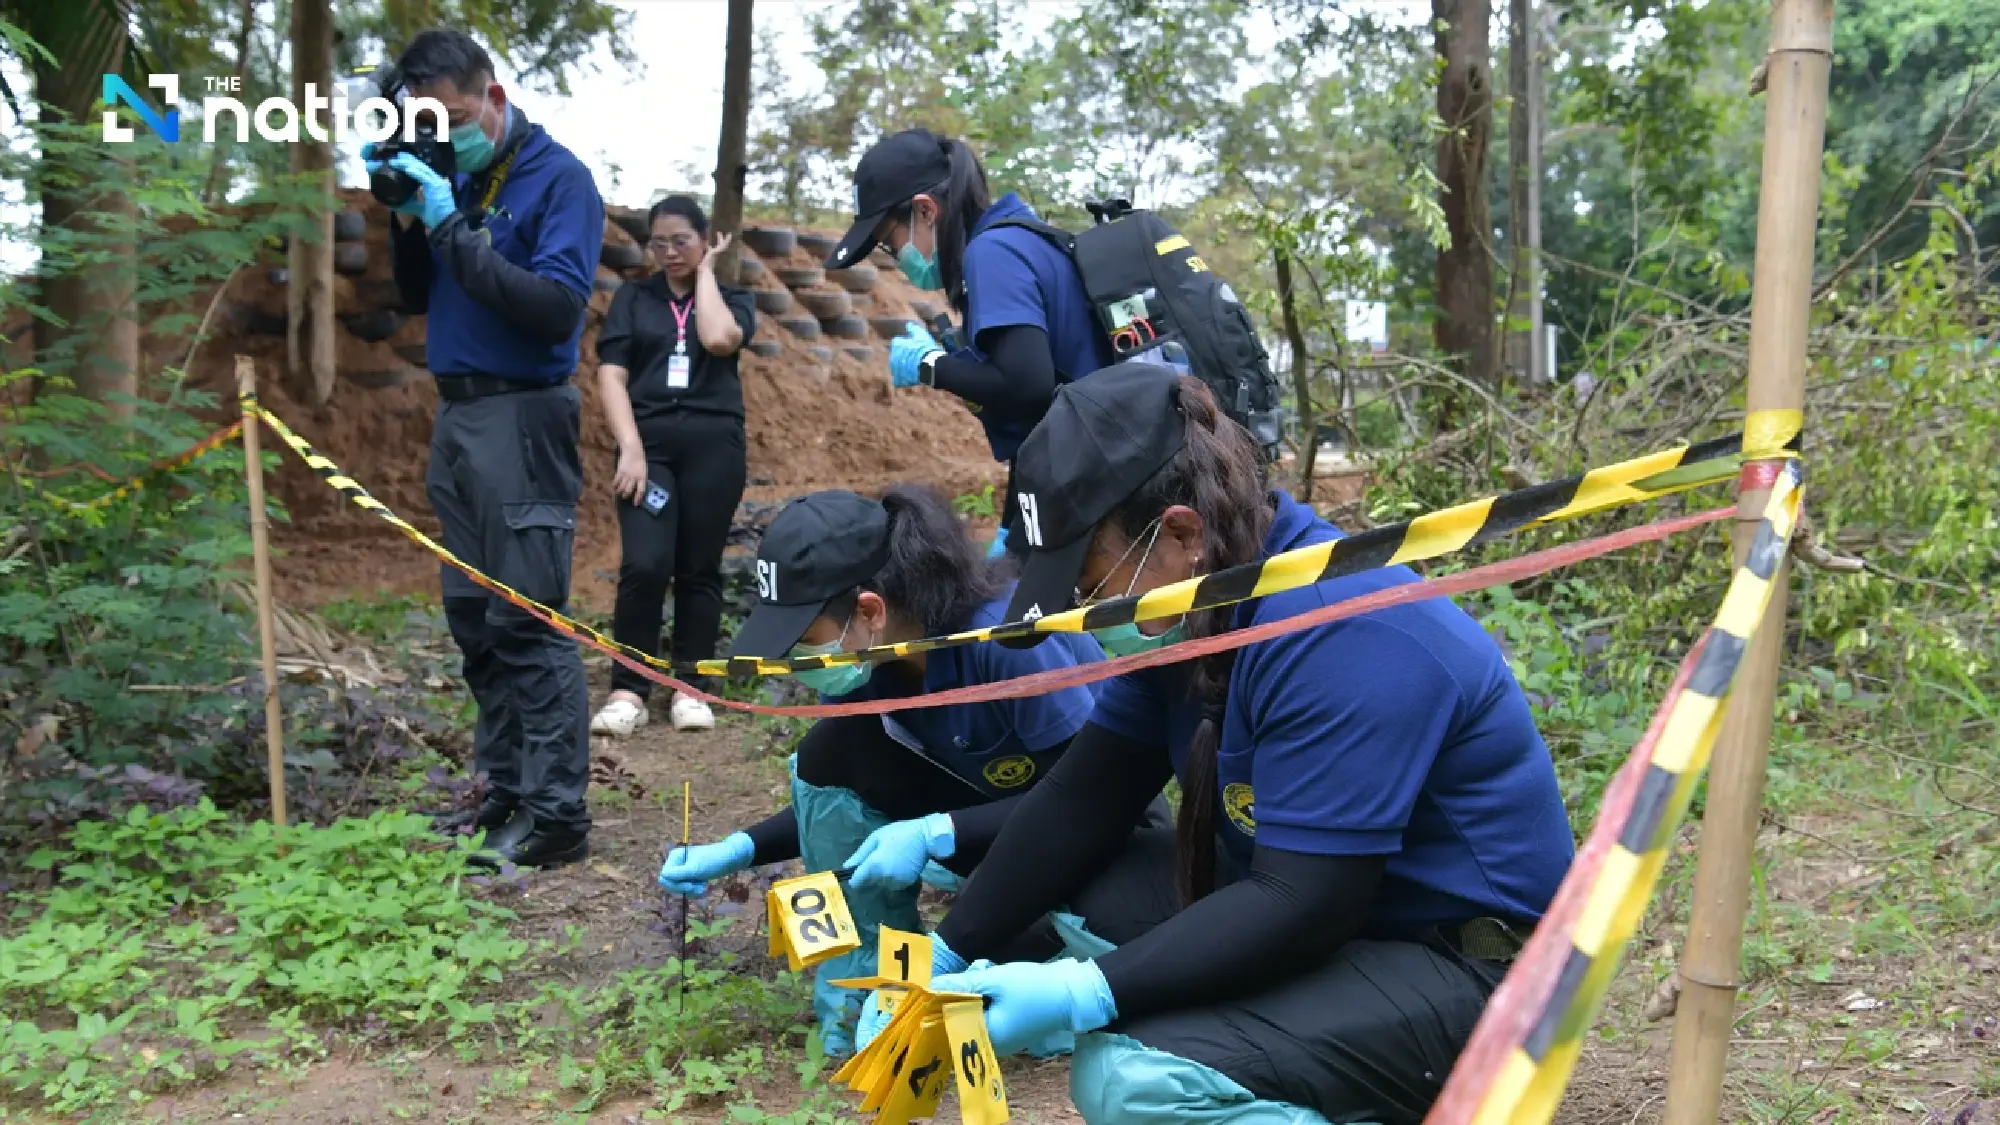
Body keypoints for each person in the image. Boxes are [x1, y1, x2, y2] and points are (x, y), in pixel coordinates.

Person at [854, 366, 1576, 1124]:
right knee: (1071, 878)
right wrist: (952, 949)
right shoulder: (1205, 605)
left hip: (1479, 974)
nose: (1084, 610)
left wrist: (1084, 992)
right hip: (1357, 916)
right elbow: (1081, 799)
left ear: (1180, 533)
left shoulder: (1340, 627)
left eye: (1091, 580)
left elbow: (1305, 900)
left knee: (1131, 1078)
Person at [655, 485, 1116, 1056]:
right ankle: (869, 983)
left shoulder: (1008, 640)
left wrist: (937, 831)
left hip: (1089, 839)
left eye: (804, 643)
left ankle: (1031, 948)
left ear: (870, 611)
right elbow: (836, 794)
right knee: (827, 751)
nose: (798, 663)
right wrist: (741, 847)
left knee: (1037, 1002)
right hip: (988, 835)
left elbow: (1088, 799)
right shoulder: (872, 665)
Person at [370, 29, 604, 868]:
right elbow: (413, 295)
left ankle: (556, 817)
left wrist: (453, 227)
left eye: (455, 116)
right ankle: (503, 791)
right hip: (459, 417)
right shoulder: (457, 174)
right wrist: (405, 213)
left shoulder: (559, 179)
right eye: (426, 120)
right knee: (474, 618)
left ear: (494, 98)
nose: (446, 132)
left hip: (524, 416)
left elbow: (551, 309)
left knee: (528, 615)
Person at [820, 128, 1113, 560]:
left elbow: (1026, 385)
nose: (895, 257)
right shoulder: (1020, 237)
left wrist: (932, 366)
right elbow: (1043, 410)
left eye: (889, 241)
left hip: (1091, 478)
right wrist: (1013, 524)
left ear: (925, 211)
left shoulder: (992, 252)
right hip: (1082, 465)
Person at [589, 195, 757, 737]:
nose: (668, 252)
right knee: (645, 563)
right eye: (658, 242)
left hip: (715, 447)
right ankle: (628, 688)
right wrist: (631, 449)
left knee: (698, 568)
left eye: (681, 240)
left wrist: (706, 273)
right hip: (649, 448)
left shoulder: (732, 299)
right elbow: (611, 376)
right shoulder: (633, 299)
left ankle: (691, 686)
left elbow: (717, 339)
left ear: (705, 241)